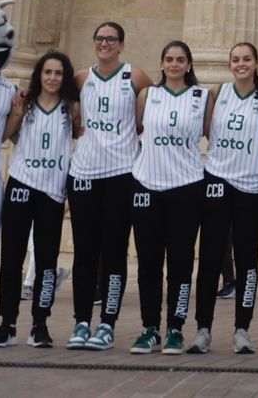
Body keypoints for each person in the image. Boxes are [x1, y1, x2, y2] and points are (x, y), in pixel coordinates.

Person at [67, 21, 154, 351]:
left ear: (121, 44)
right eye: (100, 38)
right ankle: (81, 321)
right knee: (84, 253)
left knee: (115, 251)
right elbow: (71, 116)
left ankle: (107, 324)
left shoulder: (135, 76)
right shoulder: (81, 78)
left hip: (122, 172)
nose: (105, 44)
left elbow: (152, 111)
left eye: (111, 39)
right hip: (85, 172)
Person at [0, 50, 80, 348]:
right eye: (48, 72)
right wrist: (15, 113)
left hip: (52, 190)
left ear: (65, 78)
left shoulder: (71, 109)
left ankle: (40, 324)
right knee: (12, 258)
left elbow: (80, 139)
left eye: (58, 73)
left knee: (47, 261)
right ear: (39, 74)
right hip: (21, 183)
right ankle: (8, 323)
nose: (52, 78)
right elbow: (3, 136)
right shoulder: (24, 103)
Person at [187, 42, 258, 354]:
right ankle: (203, 329)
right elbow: (208, 129)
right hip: (217, 180)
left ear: (256, 62)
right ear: (230, 64)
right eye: (236, 59)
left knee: (247, 261)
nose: (241, 64)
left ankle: (242, 329)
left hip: (251, 185)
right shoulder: (217, 93)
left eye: (247, 59)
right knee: (210, 257)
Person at [128, 41, 207, 354]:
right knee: (148, 262)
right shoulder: (147, 95)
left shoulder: (202, 97)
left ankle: (176, 327)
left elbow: (212, 134)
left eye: (180, 59)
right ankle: (150, 327)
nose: (174, 64)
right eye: (169, 59)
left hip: (186, 185)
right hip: (147, 183)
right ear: (161, 64)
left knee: (181, 262)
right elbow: (137, 129)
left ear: (189, 64)